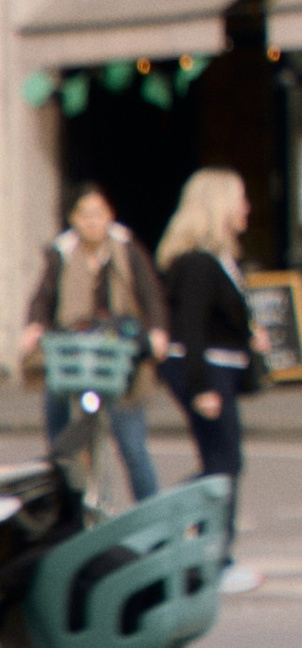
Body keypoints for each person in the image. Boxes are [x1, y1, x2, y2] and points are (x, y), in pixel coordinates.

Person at [22, 183, 167, 500]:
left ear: (110, 216)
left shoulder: (126, 250)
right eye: (85, 214)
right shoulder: (61, 252)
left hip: (118, 358)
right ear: (73, 218)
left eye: (99, 214)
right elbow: (42, 298)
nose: (92, 222)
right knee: (60, 428)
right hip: (75, 356)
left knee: (132, 445)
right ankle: (64, 505)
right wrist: (34, 327)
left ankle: (153, 515)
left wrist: (157, 331)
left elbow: (150, 294)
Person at [157, 167, 264, 595]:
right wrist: (201, 387)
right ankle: (213, 559)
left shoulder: (219, 258)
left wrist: (247, 333)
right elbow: (191, 327)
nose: (246, 209)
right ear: (219, 206)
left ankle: (188, 539)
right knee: (225, 465)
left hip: (217, 367)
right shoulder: (199, 261)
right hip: (204, 371)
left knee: (222, 464)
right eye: (239, 200)